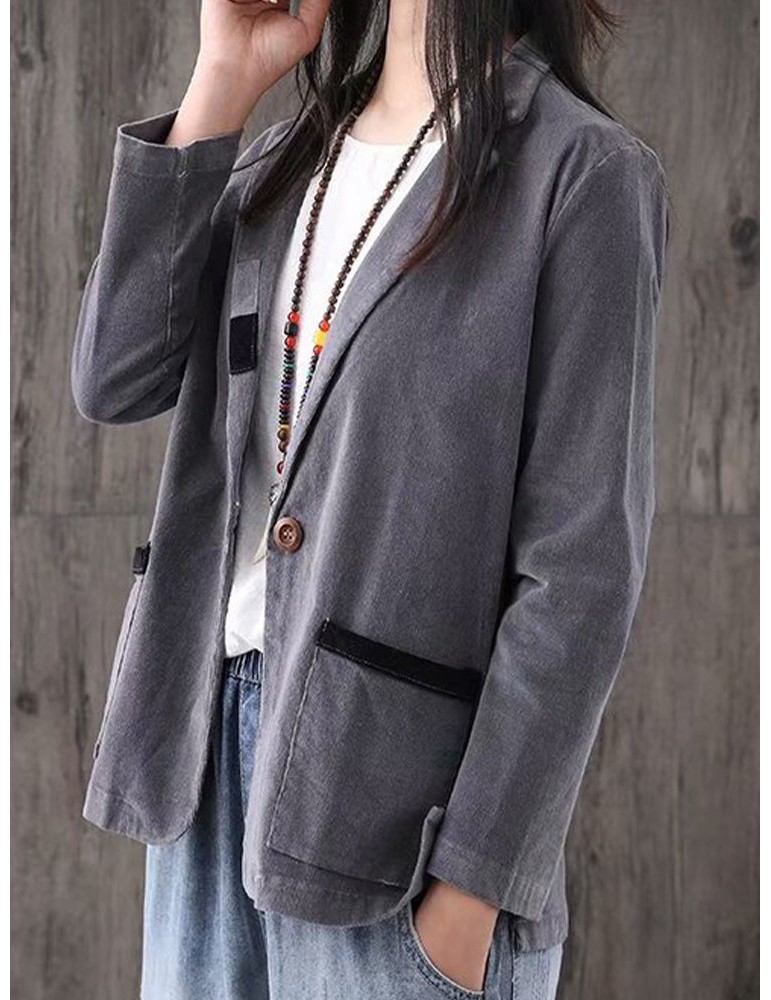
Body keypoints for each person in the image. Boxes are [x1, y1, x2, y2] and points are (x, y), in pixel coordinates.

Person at [70, 0, 669, 996]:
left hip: (397, 834)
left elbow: (582, 575)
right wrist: (222, 78)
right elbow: (114, 377)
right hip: (202, 781)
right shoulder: (278, 166)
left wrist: (471, 887)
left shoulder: (580, 175)